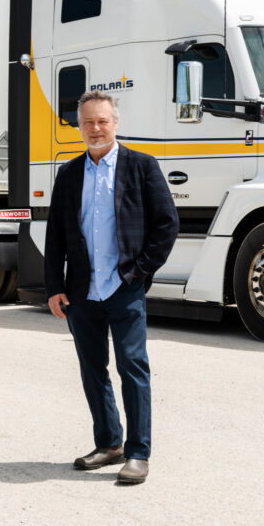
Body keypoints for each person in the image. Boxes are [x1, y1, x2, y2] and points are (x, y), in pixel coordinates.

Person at [44, 89, 179, 485]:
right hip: (82, 292)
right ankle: (109, 444)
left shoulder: (142, 167)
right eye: (88, 122)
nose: (95, 128)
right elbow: (55, 236)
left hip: (123, 287)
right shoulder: (69, 174)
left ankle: (138, 453)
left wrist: (138, 273)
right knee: (92, 369)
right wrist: (54, 286)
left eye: (102, 121)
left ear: (115, 123)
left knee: (133, 368)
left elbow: (166, 225)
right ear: (79, 126)